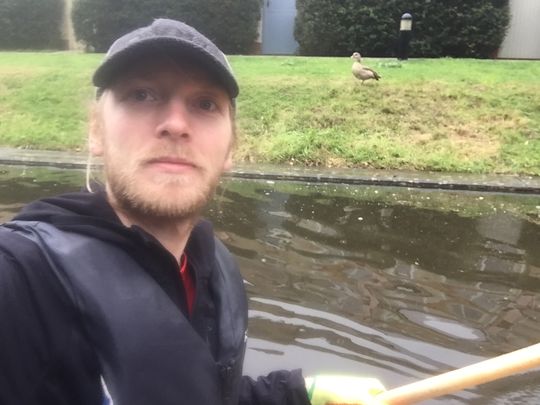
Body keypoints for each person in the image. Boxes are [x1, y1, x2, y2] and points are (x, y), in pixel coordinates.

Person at [0, 18, 385, 405]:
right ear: (96, 131)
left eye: (205, 104)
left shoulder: (212, 267)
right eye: (141, 95)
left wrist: (300, 394)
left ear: (232, 146)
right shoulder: (20, 280)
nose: (176, 124)